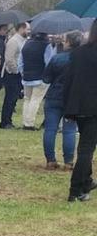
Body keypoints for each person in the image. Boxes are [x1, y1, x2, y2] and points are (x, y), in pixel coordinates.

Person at [62, 23, 97, 202]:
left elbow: (69, 79)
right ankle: (75, 189)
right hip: (93, 108)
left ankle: (86, 182)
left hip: (79, 106)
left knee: (85, 145)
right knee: (86, 149)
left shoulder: (78, 53)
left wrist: (67, 106)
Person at [42, 31, 81, 170]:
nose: (63, 43)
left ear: (69, 42)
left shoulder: (57, 58)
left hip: (54, 96)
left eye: (65, 40)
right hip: (73, 98)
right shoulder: (82, 59)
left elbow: (46, 78)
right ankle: (68, 161)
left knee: (50, 129)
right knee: (70, 130)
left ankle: (50, 160)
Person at [0, 22, 28, 128]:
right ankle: (5, 122)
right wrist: (16, 71)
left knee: (14, 99)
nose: (29, 31)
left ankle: (9, 120)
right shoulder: (14, 41)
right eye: (27, 29)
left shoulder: (22, 40)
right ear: (21, 28)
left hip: (17, 73)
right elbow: (9, 59)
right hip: (11, 74)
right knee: (10, 99)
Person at [20, 31, 51, 130]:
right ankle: (30, 123)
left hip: (26, 76)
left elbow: (20, 61)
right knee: (35, 100)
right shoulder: (46, 46)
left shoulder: (26, 44)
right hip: (40, 77)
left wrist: (23, 72)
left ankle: (25, 122)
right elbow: (48, 62)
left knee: (27, 99)